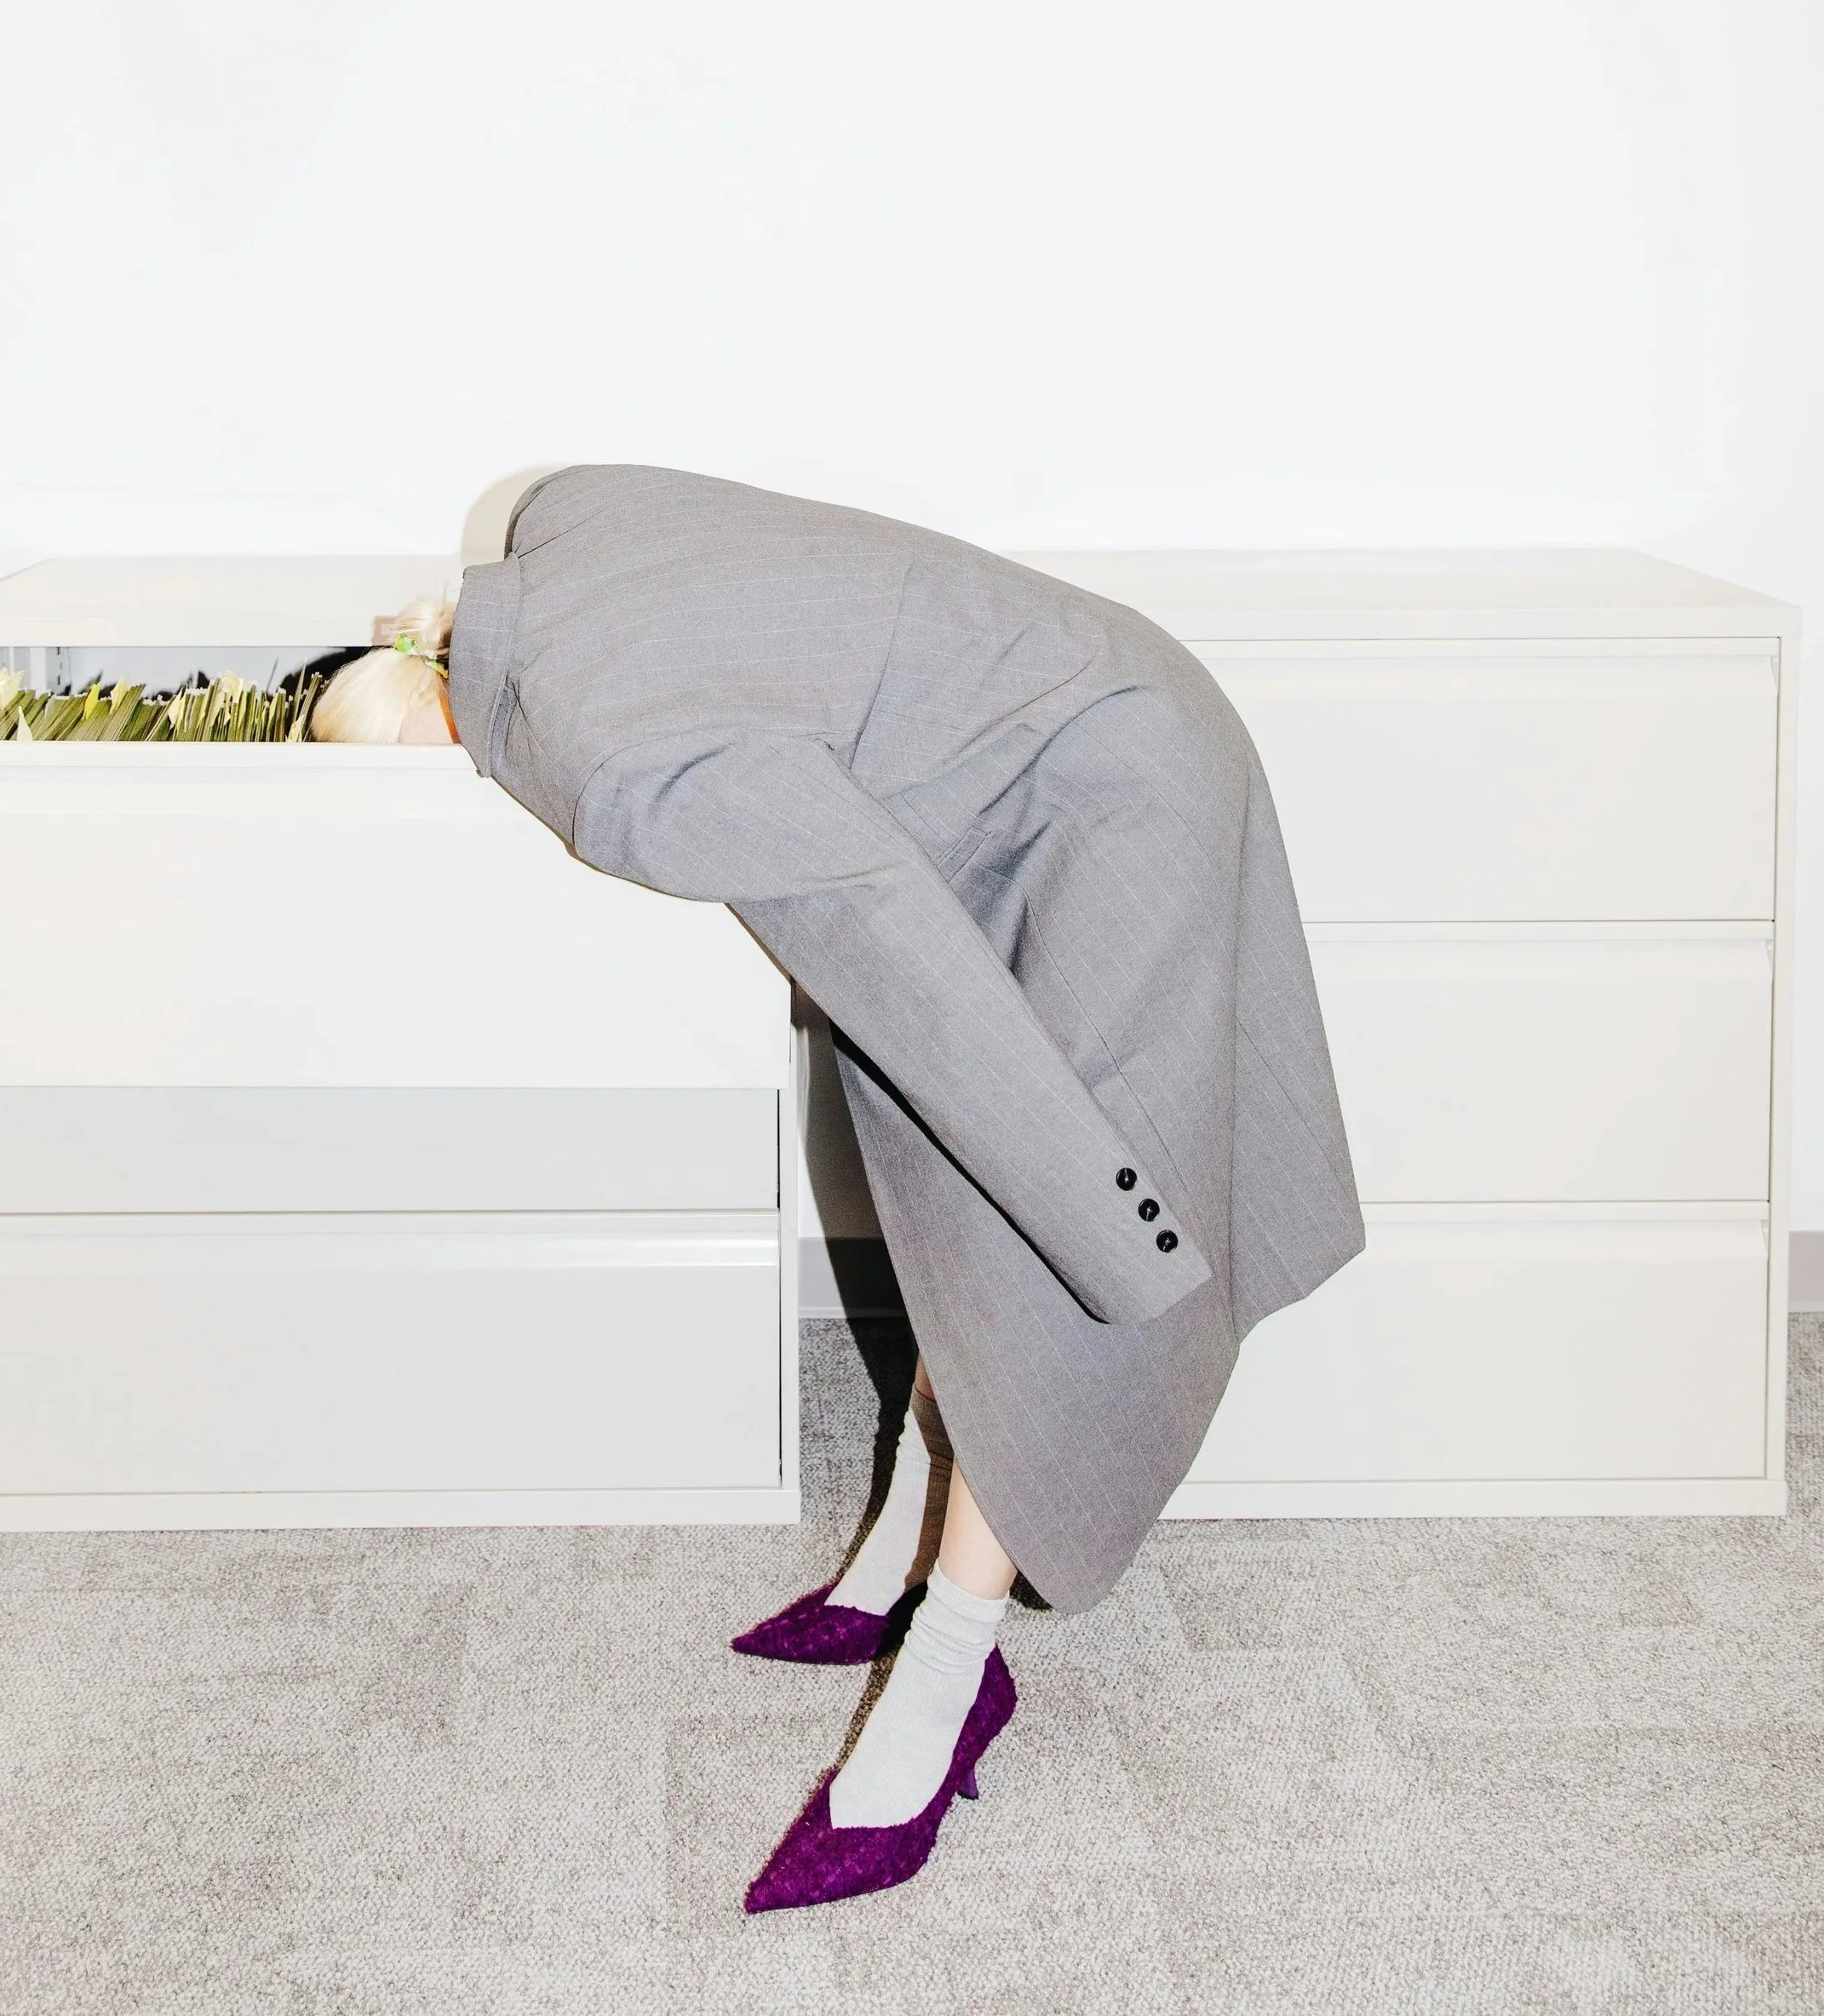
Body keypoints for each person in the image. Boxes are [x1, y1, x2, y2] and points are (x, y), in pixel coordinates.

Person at [346, 465, 1363, 1910]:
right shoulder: (560, 521)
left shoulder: (629, 764)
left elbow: (893, 942)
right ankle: (893, 1550)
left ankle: (947, 1680)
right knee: (942, 1176)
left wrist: (1112, 1215)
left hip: (1126, 791)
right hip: (1068, 702)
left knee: (1020, 1217)